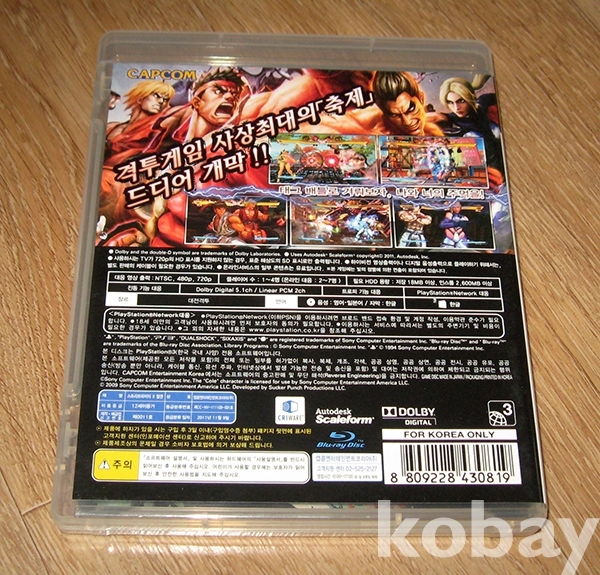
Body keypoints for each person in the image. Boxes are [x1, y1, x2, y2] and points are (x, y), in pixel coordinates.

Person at [432, 75, 504, 173]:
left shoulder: (484, 103)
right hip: (489, 170)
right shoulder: (451, 120)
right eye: (450, 102)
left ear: (469, 97)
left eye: (461, 101)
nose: (456, 107)